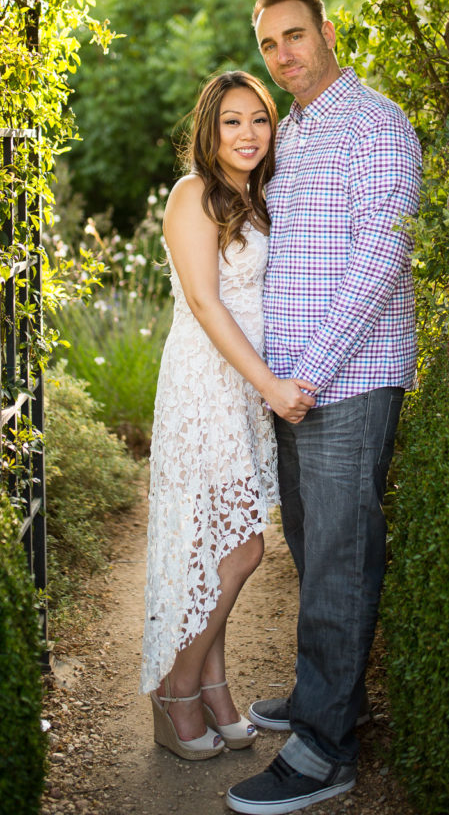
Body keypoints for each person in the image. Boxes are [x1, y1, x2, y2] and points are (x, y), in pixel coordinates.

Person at [227, 0, 422, 814]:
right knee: (315, 549)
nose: (283, 56)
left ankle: (324, 751)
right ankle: (327, 698)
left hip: (349, 377)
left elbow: (380, 258)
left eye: (295, 37)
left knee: (341, 562)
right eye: (269, 44)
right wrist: (280, 379)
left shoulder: (377, 125)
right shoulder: (296, 130)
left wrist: (308, 375)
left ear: (327, 32)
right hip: (296, 385)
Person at [140, 70, 316, 762]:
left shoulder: (256, 196)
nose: (248, 134)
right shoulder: (192, 194)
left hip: (241, 386)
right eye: (232, 121)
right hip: (206, 384)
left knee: (223, 545)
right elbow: (206, 303)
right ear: (209, 129)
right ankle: (176, 690)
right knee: (240, 548)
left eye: (260, 120)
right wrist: (271, 385)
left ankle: (214, 689)